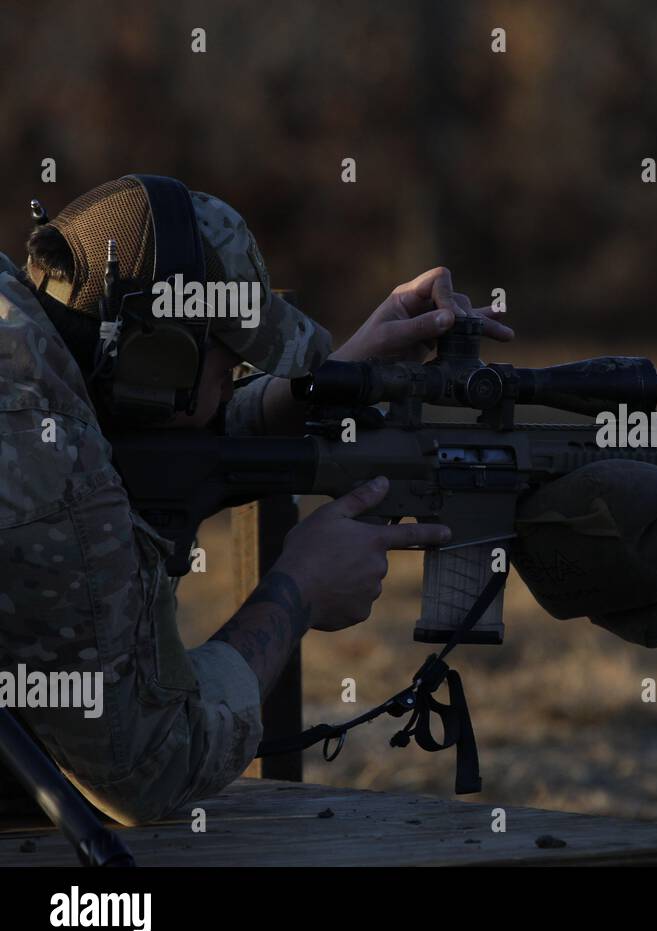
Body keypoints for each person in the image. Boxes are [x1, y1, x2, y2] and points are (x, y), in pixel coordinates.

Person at [0, 175, 512, 824]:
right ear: (157, 364)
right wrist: (296, 592)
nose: (240, 376)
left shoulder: (30, 340)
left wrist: (325, 387)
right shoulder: (56, 474)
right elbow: (147, 768)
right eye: (232, 361)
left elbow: (140, 432)